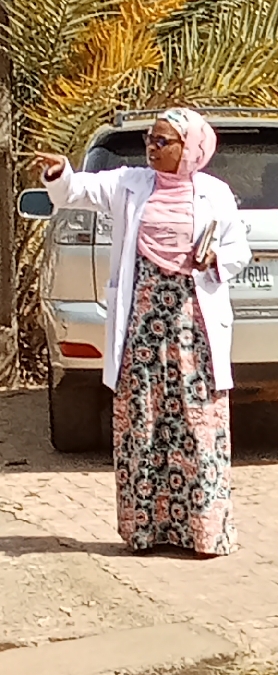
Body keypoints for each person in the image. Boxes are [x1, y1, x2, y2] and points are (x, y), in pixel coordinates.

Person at [36, 108, 252, 558]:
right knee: (142, 420)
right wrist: (59, 174)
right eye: (150, 140)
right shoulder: (130, 184)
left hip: (194, 328)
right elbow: (78, 190)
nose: (151, 148)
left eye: (162, 141)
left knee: (198, 422)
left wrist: (216, 259)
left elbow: (238, 249)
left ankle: (204, 532)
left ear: (190, 149)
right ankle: (145, 531)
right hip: (142, 327)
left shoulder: (215, 192)